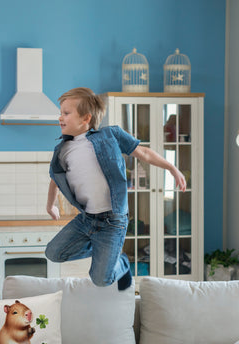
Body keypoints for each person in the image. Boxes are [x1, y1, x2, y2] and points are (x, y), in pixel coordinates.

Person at [45, 87, 186, 290]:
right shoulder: (62, 150)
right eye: (60, 113)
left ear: (86, 118)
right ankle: (105, 252)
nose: (60, 117)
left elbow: (144, 153)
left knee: (100, 279)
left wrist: (171, 168)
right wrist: (51, 206)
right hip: (87, 219)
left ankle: (121, 263)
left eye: (66, 113)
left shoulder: (110, 135)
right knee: (53, 253)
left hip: (113, 221)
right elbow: (55, 179)